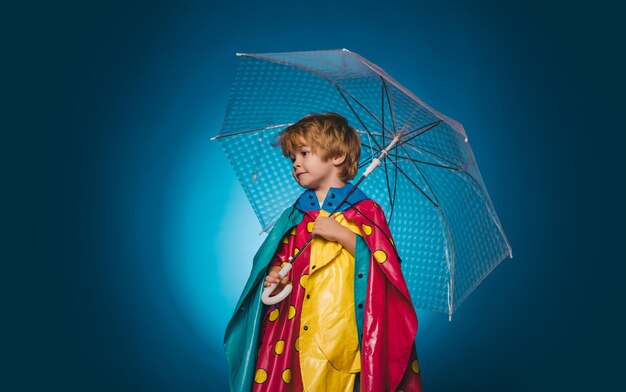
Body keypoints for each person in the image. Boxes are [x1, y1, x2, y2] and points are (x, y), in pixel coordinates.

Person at [224, 113, 423, 391]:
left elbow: (386, 268)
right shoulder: (295, 215)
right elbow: (282, 261)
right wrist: (276, 276)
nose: (296, 163)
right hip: (293, 329)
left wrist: (342, 235)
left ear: (338, 156)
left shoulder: (367, 212)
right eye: (292, 157)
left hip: (343, 328)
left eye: (304, 153)